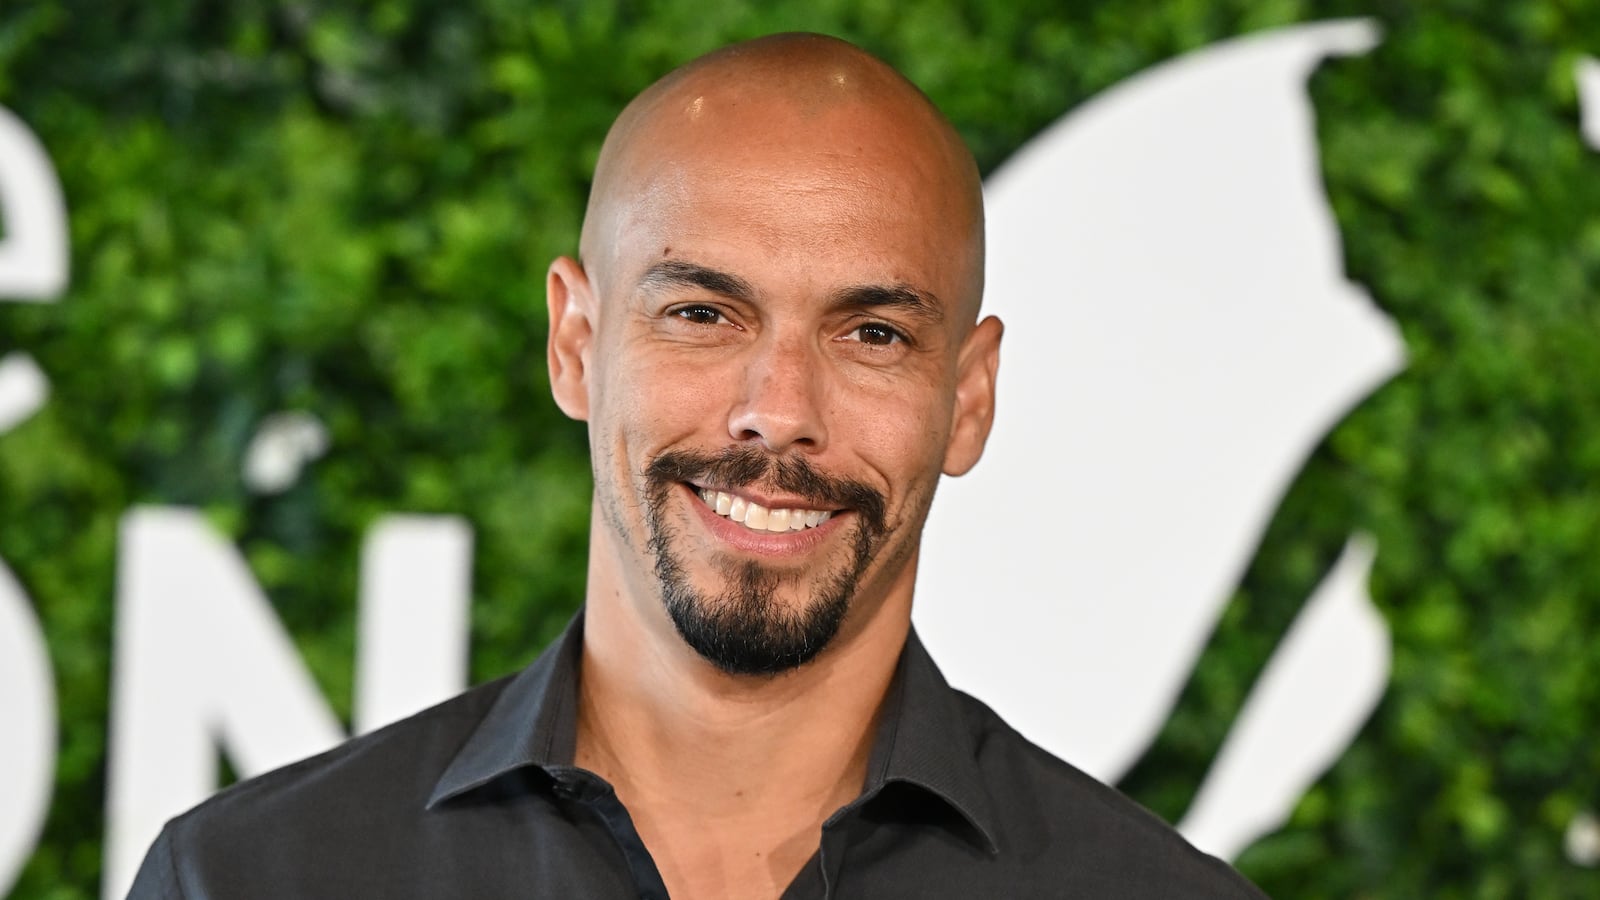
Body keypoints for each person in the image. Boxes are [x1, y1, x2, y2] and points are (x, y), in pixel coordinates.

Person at [129, 33, 1267, 899]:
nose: (777, 415)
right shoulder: (256, 879)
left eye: (870, 335)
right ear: (576, 345)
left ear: (966, 400)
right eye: (702, 313)